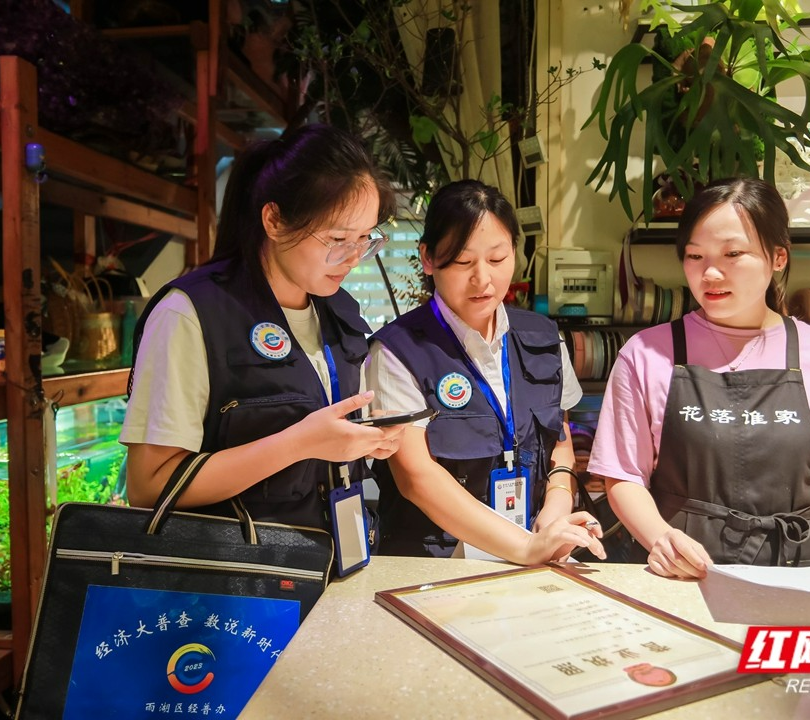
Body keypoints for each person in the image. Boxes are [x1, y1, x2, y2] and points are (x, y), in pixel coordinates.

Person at [588, 177, 810, 599]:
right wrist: (660, 539)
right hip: (679, 578)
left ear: (778, 257)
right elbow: (623, 474)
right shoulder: (646, 354)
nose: (710, 273)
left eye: (733, 254)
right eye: (695, 256)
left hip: (798, 578)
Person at [121, 123, 406, 534]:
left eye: (365, 239)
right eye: (339, 238)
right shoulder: (191, 313)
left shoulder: (337, 309)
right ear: (274, 220)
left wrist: (365, 438)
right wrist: (301, 443)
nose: (354, 257)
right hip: (242, 582)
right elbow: (148, 485)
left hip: (337, 566)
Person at [366, 179, 606, 562]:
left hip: (534, 550)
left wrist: (557, 505)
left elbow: (559, 440)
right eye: (462, 262)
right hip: (434, 561)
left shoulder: (543, 337)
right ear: (427, 258)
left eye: (497, 259)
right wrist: (524, 547)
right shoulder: (397, 351)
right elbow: (415, 478)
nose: (483, 279)